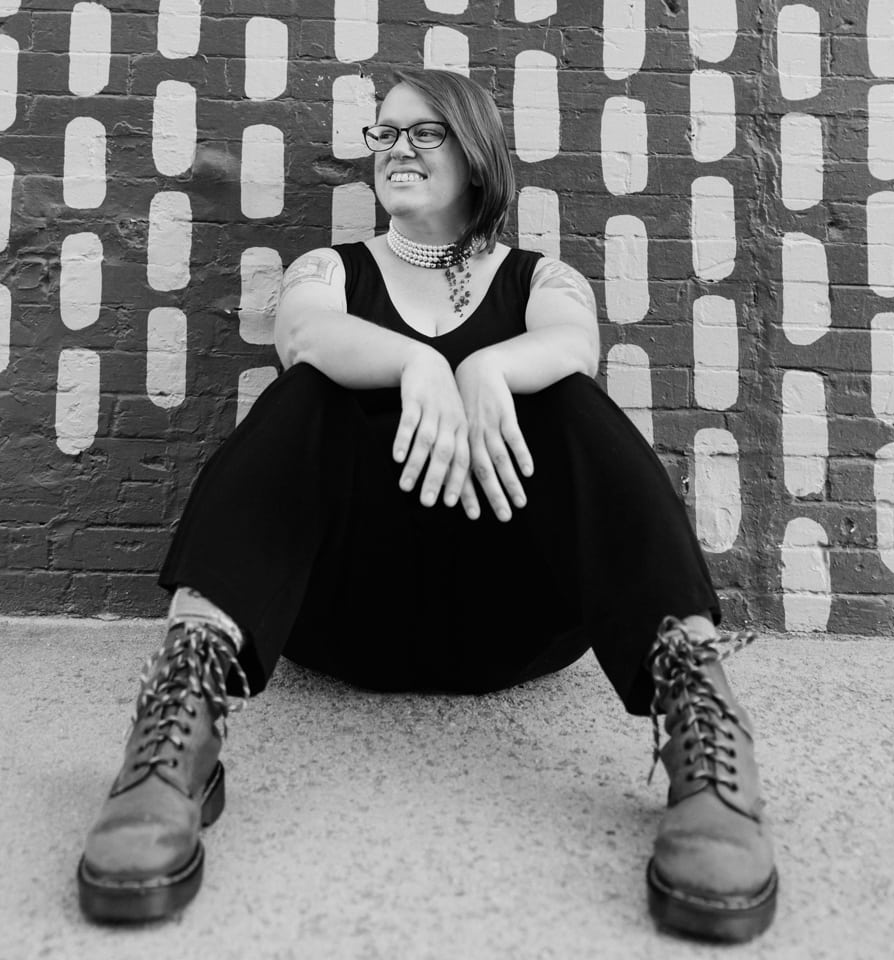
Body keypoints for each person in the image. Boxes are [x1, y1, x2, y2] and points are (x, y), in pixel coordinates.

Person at [77, 67, 777, 942]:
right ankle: (177, 727)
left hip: (516, 618)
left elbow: (573, 344)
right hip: (346, 617)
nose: (395, 148)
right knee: (309, 393)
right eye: (384, 132)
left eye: (424, 131)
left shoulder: (542, 279)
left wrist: (485, 366)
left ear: (476, 152)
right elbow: (303, 332)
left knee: (568, 400)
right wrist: (417, 363)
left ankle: (700, 722)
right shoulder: (330, 270)